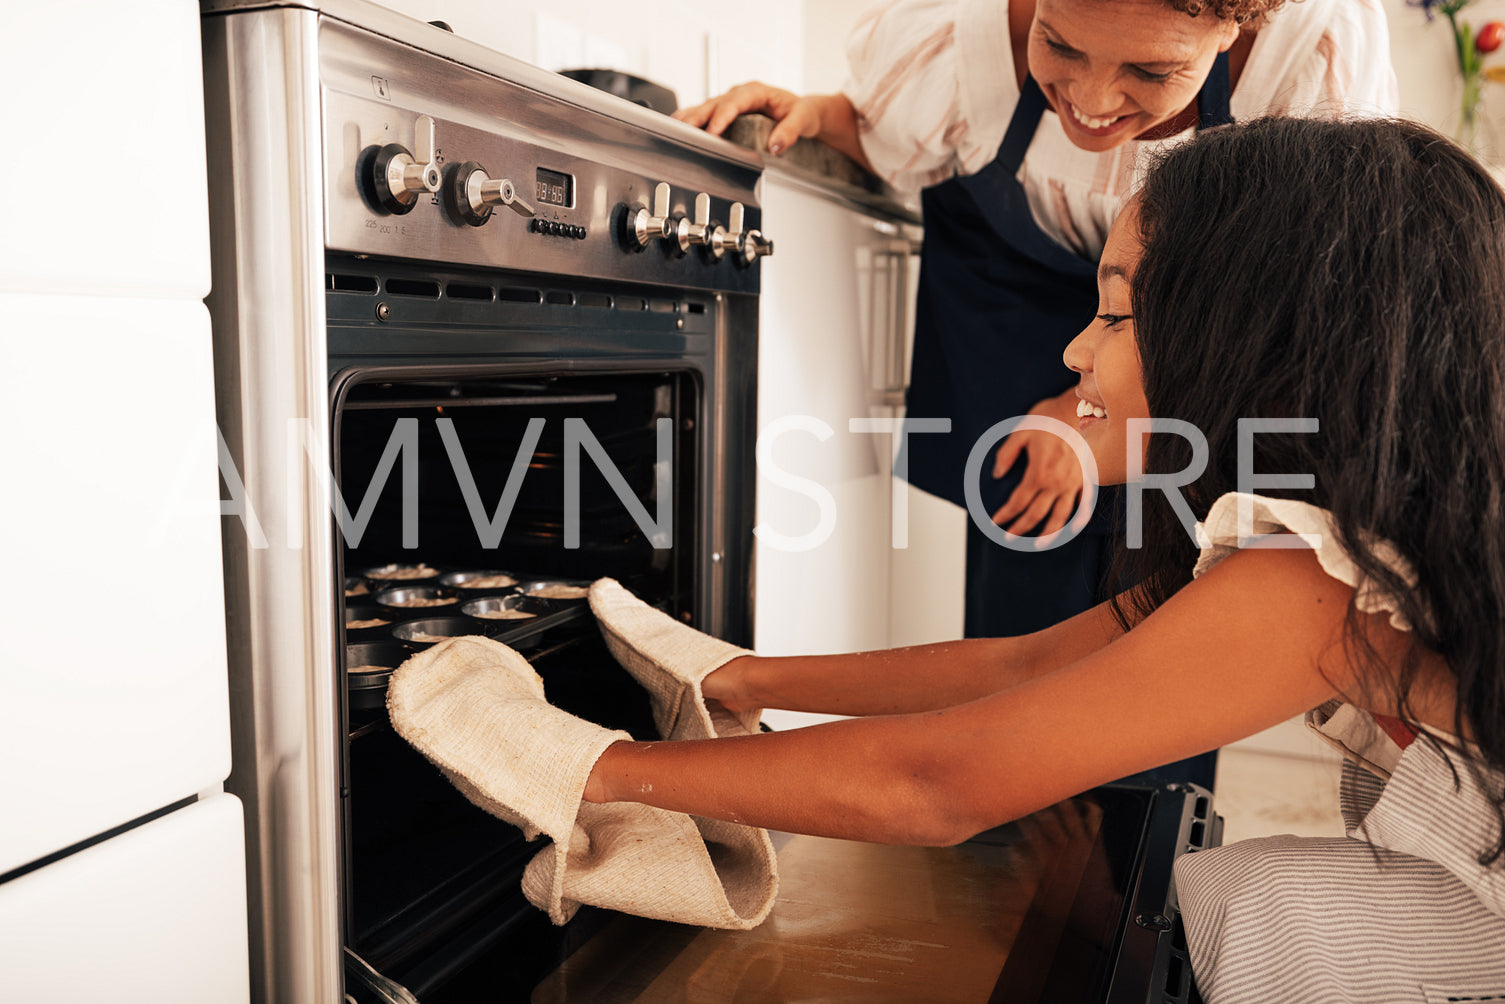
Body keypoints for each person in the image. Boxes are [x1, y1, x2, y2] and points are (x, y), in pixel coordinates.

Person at [573, 117, 1505, 998]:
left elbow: (932, 785)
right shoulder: (1369, 517)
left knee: (1264, 901)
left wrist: (591, 768)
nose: (1074, 349)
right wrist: (737, 678)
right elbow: (1025, 663)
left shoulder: (1317, 570)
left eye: (1114, 316)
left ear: (1261, 337)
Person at [676, 0, 1398, 645]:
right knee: (1024, 566)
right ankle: (1029, 795)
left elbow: (1297, 287)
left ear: (1237, 22)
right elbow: (886, 140)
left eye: (1150, 71)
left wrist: (1086, 409)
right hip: (1013, 319)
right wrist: (816, 114)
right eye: (1060, 45)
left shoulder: (1314, 57)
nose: (1090, 98)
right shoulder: (961, 35)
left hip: (1207, 326)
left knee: (1170, 574)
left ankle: (1141, 796)